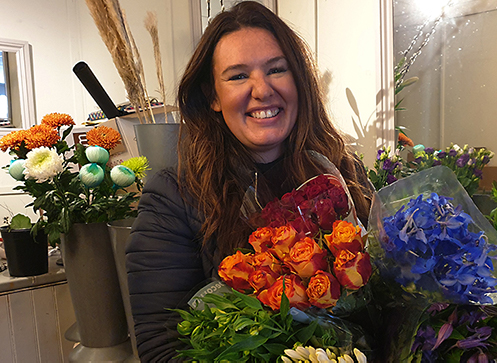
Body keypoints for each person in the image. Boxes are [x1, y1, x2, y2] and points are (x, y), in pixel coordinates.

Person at [125, 2, 374, 361]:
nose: (262, 90)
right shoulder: (174, 197)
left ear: (299, 81)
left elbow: (389, 299)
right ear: (213, 96)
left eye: (277, 69)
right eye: (238, 76)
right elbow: (161, 347)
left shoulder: (345, 173)